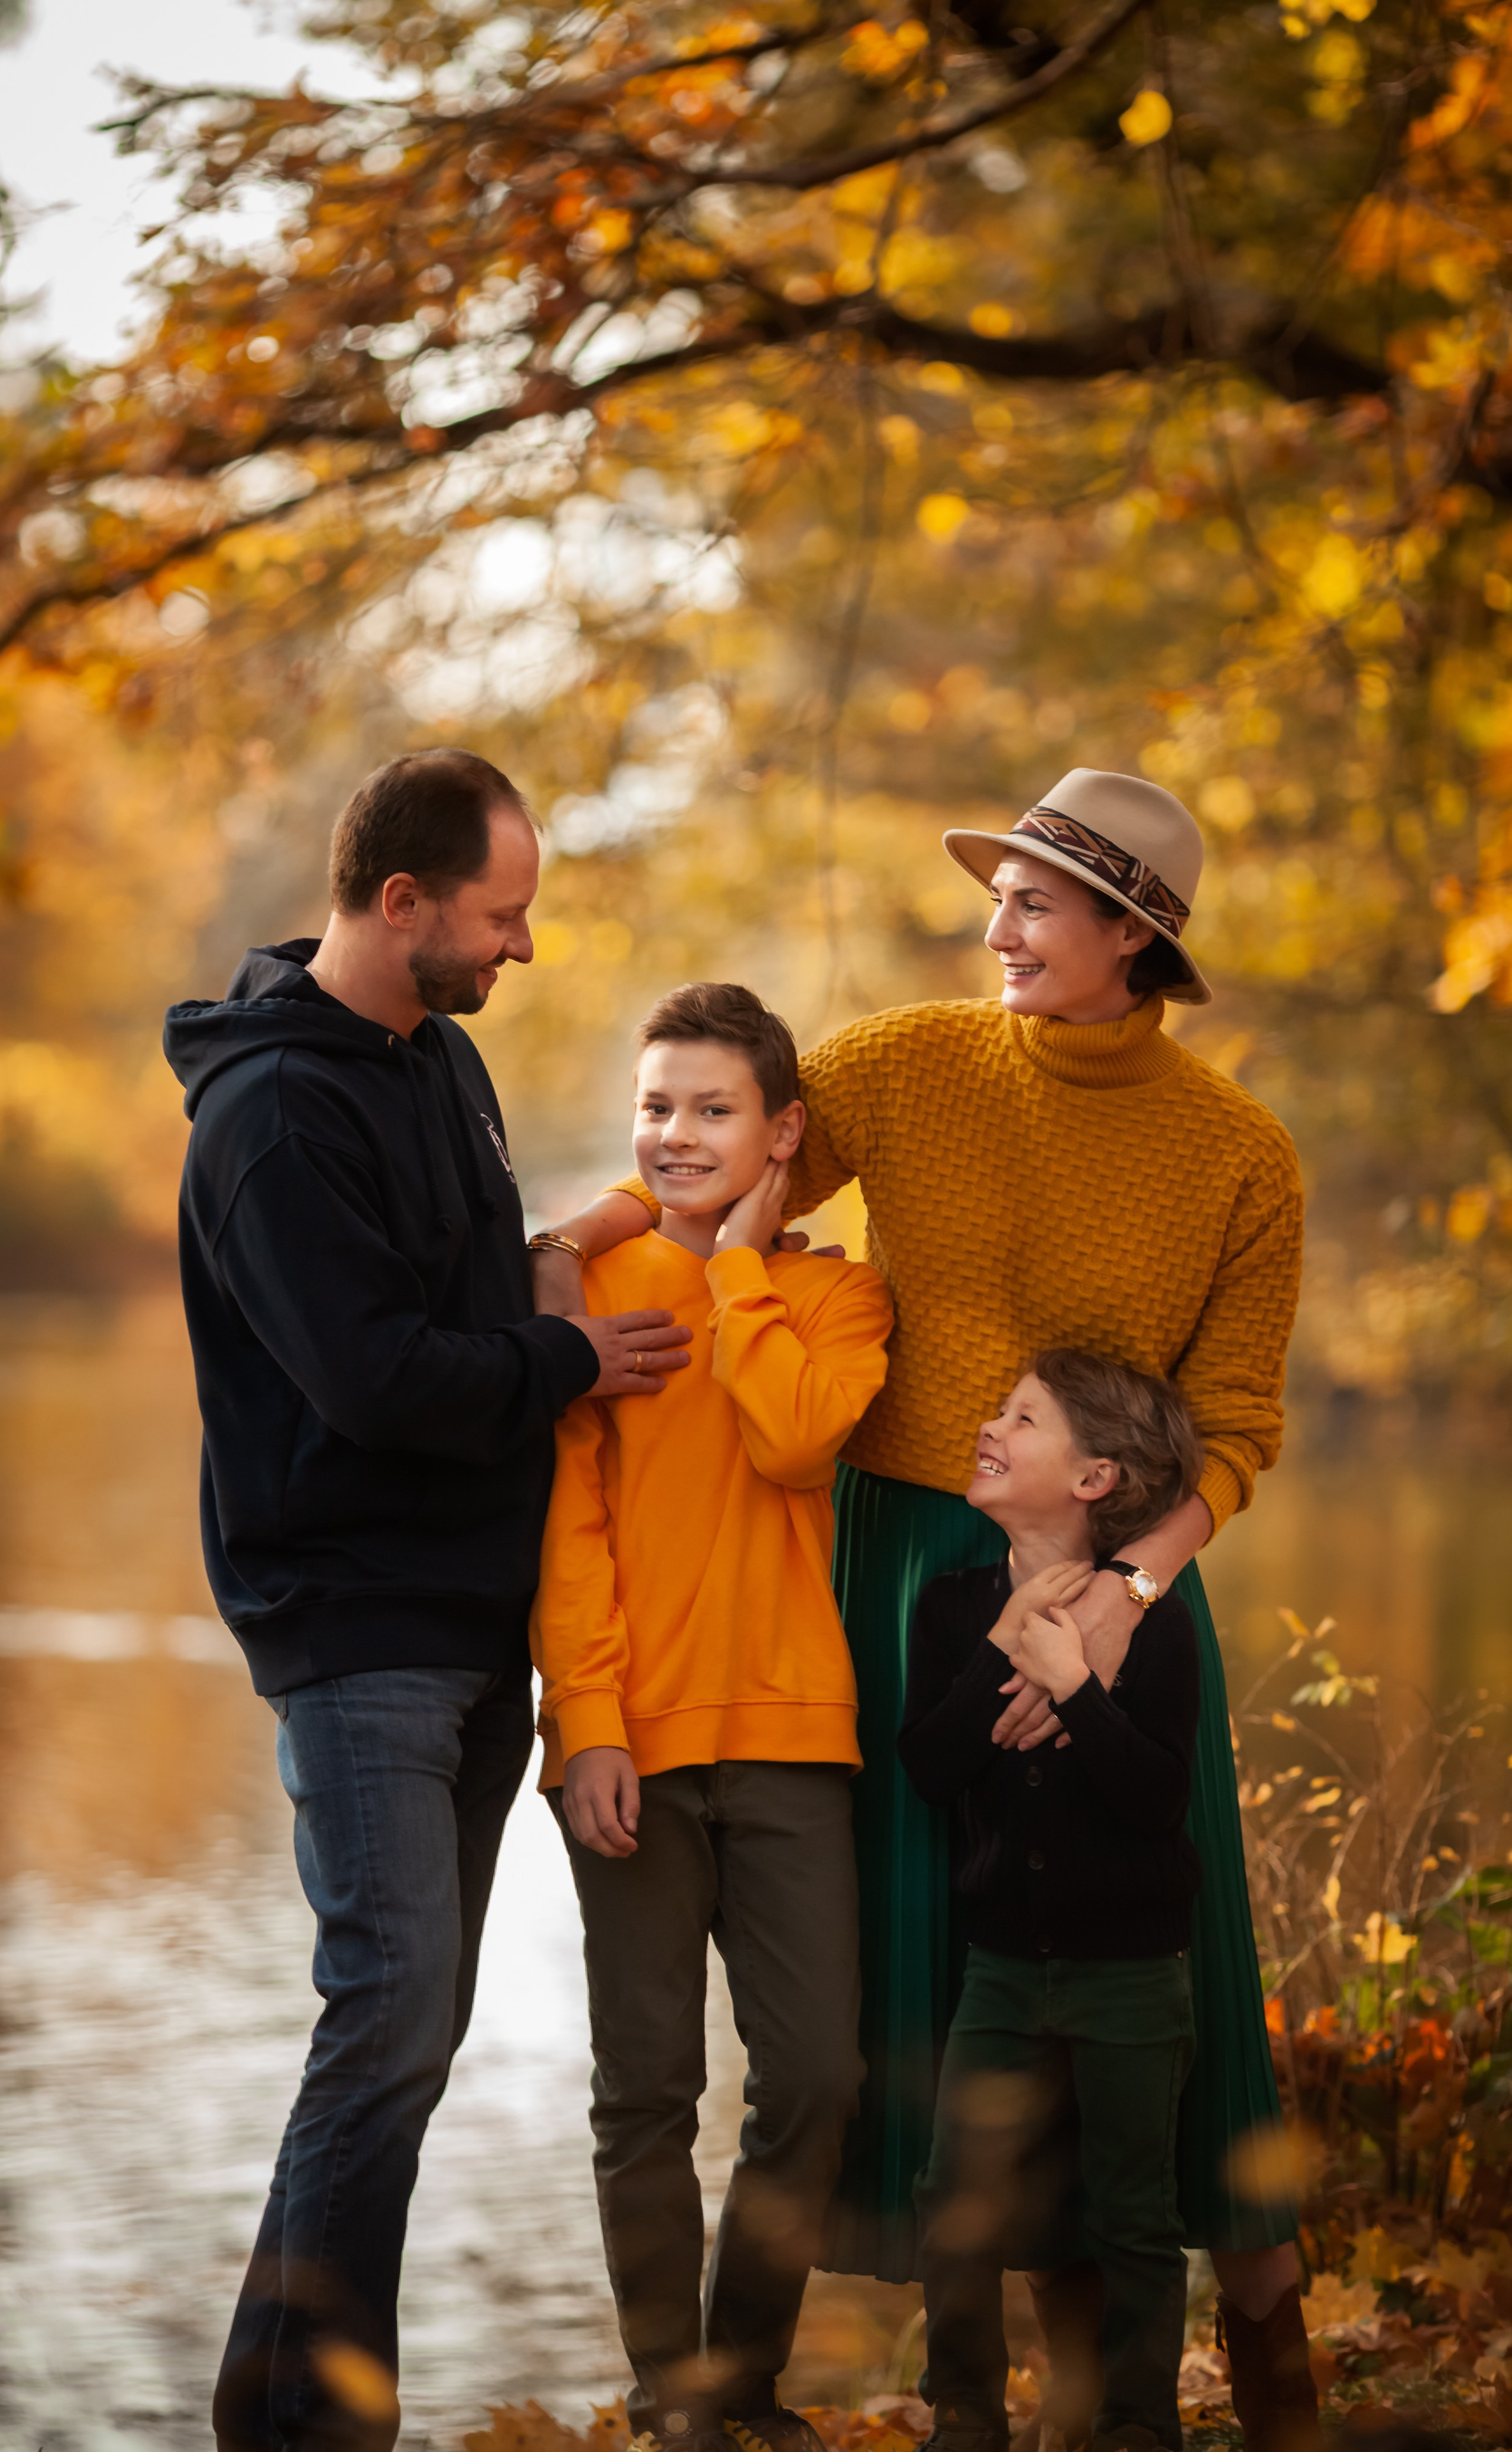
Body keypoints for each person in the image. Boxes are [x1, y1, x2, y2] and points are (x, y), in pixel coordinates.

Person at [531, 770, 1318, 2452]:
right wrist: (569, 1245)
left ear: (1135, 936)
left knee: (1152, 1974)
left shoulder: (1244, 1158)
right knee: (939, 1995)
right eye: (1003, 894)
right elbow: (721, 1156)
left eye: (1038, 903)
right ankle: (964, 2403)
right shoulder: (903, 1062)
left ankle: (1251, 2378)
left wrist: (1122, 1592)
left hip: (1123, 1599)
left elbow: (1238, 1433)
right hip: (892, 1581)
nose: (1000, 927)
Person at [163, 749, 695, 2452]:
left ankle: (301, 2409)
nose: (520, 945)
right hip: (359, 1631)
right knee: (388, 2011)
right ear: (403, 906)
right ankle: (303, 2425)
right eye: (502, 912)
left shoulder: (440, 1063)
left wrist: (546, 1268)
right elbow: (379, 1378)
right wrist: (565, 1353)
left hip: (474, 1626)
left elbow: (462, 1299)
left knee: (417, 2025)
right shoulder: (269, 1118)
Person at [531, 983, 893, 2452]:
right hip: (628, 1744)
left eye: (712, 1109)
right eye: (655, 1107)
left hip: (798, 1740)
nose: (676, 1135)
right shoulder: (587, 1304)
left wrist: (737, 1275)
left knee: (814, 2077)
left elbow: (801, 1443)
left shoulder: (837, 1298)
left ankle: (741, 2379)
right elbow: (571, 1526)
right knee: (646, 2092)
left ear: (780, 1131)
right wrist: (587, 1723)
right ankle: (672, 2404)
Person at [899, 1352, 1205, 2452]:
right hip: (1003, 1967)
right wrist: (998, 1656)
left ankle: (1134, 2425)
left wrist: (1074, 1686)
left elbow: (1156, 1800)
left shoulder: (1152, 1622)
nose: (990, 1426)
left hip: (1133, 1971)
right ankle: (968, 2421)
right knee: (955, 2200)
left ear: (1094, 1478)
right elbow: (930, 1769)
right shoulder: (952, 1610)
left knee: (1134, 2215)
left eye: (1021, 1419)